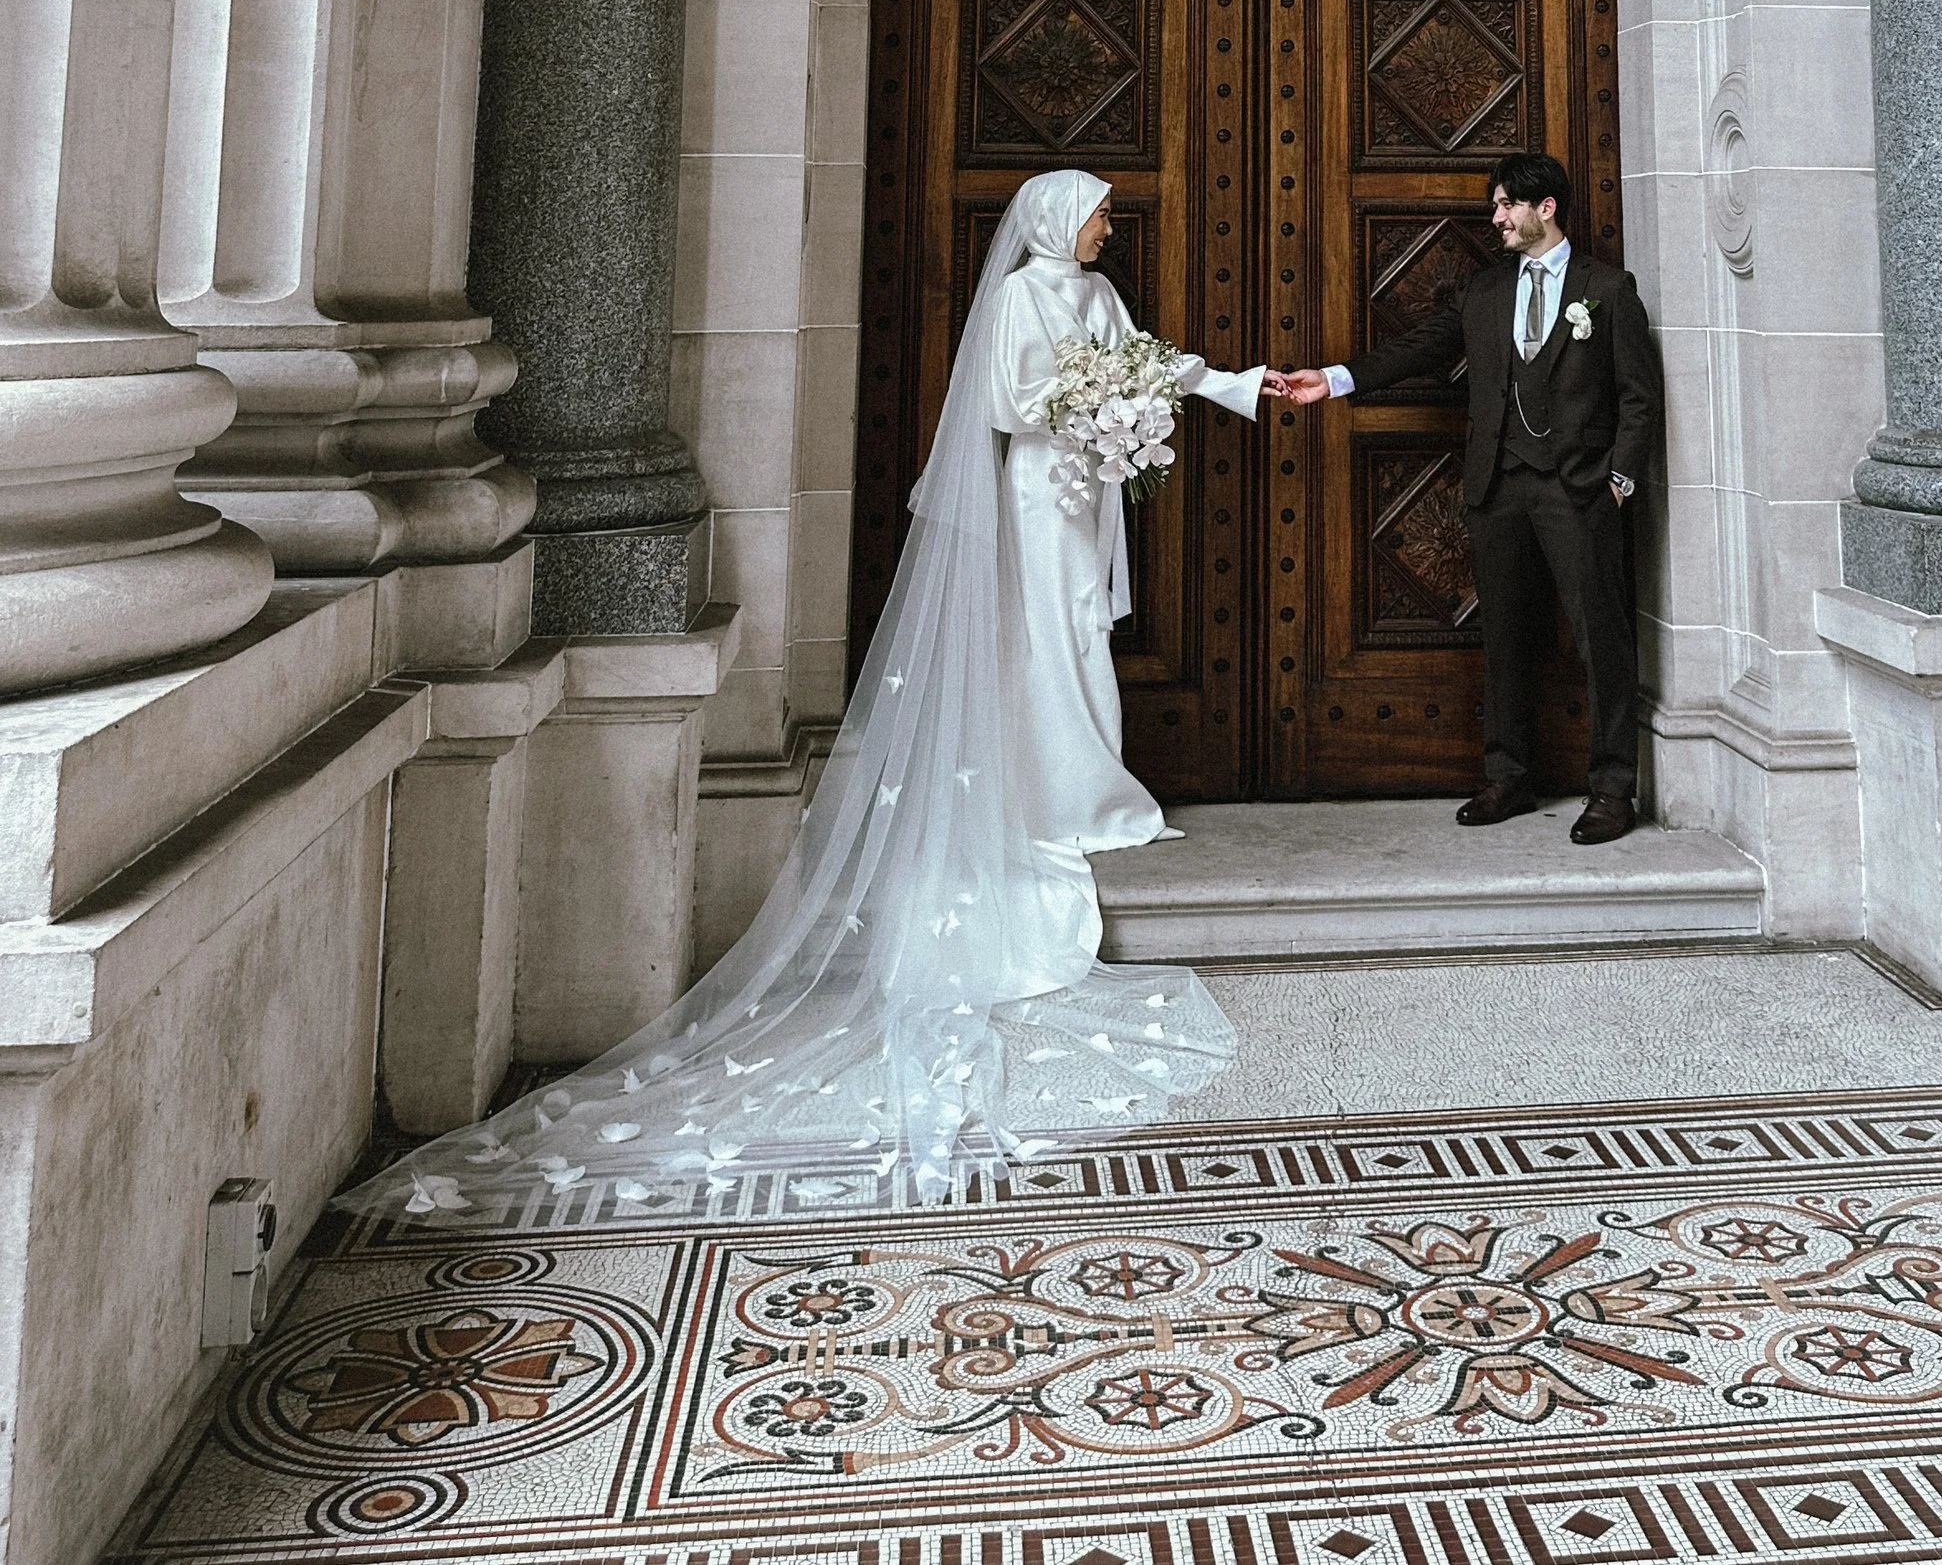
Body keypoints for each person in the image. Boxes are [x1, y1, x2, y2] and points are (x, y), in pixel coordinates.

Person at [348, 169, 1266, 1224]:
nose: (1112, 227)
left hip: (1079, 488)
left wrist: (1206, 387)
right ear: (1061, 217)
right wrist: (1093, 403)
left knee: (1081, 643)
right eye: (1102, 212)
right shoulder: (1019, 298)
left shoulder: (1098, 299)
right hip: (1034, 488)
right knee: (1041, 646)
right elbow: (1009, 401)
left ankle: (1092, 790)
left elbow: (1145, 360)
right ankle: (1053, 796)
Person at [1269, 150, 1661, 844]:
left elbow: (1638, 396)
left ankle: (1611, 788)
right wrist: (1332, 379)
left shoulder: (1608, 287)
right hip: (1498, 485)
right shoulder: (1483, 292)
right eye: (1495, 206)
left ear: (1546, 208)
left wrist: (1619, 482)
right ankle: (1509, 776)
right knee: (1504, 637)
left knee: (1602, 637)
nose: (1496, 217)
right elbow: (1416, 347)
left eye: (1507, 204)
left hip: (1579, 493)